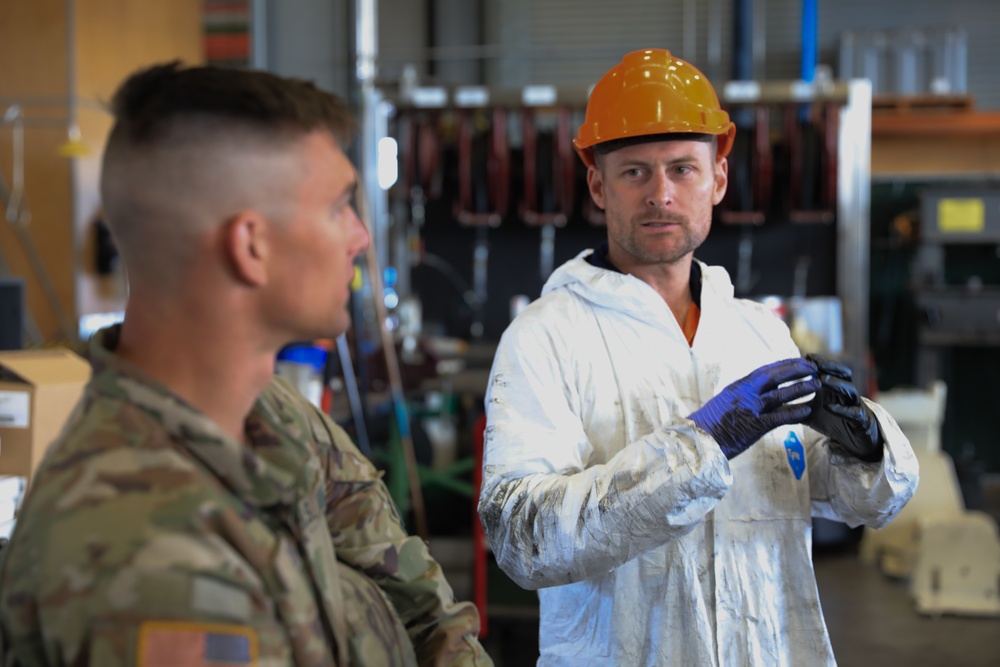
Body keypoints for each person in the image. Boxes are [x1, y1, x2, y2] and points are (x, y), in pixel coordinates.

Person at [0, 62, 491, 667]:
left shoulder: (268, 415)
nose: (360, 236)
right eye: (339, 206)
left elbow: (416, 597)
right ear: (250, 245)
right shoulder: (152, 558)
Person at [477, 48, 919, 666]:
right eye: (635, 172)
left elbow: (840, 497)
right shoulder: (546, 337)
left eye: (682, 168)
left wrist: (864, 447)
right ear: (598, 185)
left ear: (718, 179)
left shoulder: (758, 334)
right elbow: (520, 537)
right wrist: (698, 445)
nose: (661, 194)